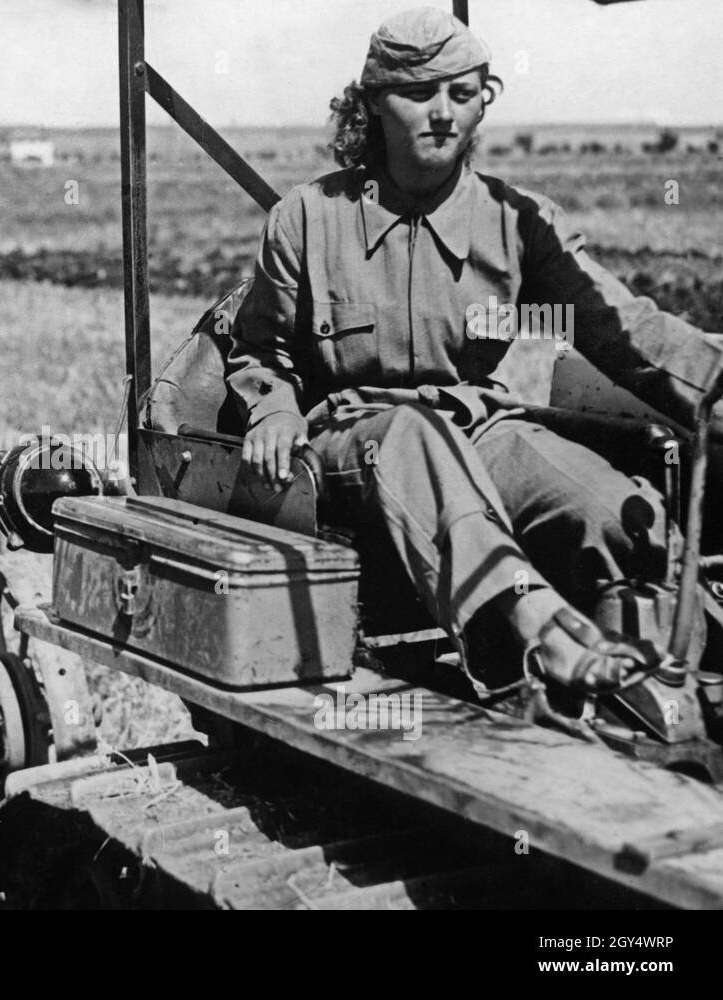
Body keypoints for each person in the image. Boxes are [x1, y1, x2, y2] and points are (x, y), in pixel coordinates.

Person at [227, 7, 723, 695]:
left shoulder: (518, 223)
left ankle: (632, 712)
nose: (443, 115)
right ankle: (537, 637)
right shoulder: (308, 219)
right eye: (420, 94)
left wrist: (714, 384)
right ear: (374, 104)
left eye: (462, 95)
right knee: (410, 433)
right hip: (350, 443)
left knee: (605, 511)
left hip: (475, 425)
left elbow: (617, 327)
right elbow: (261, 352)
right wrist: (273, 409)